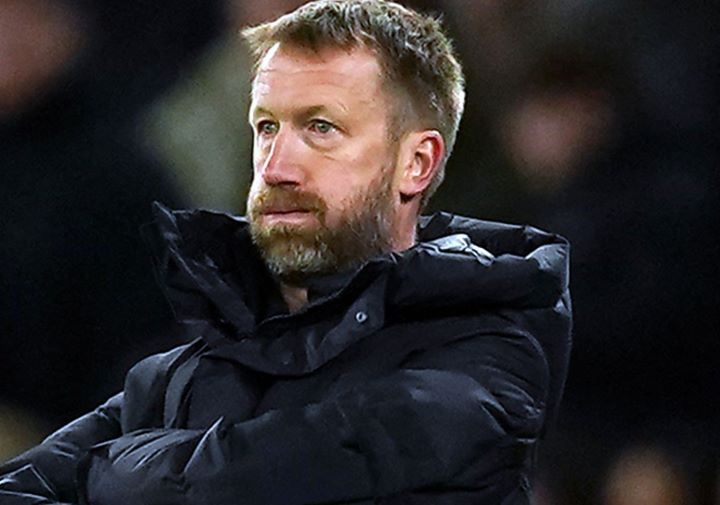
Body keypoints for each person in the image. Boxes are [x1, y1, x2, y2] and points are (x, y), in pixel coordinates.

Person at [0, 1, 571, 503]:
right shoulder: (188, 367)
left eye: (320, 128)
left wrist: (110, 472)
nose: (276, 168)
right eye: (267, 128)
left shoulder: (489, 351)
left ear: (416, 163)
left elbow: (259, 476)